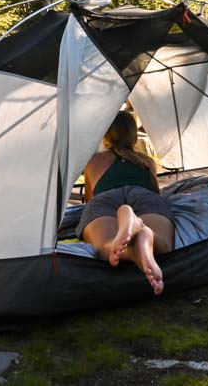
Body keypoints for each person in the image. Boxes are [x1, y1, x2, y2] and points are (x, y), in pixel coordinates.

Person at [77, 109, 175, 294]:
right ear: (134, 136)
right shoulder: (147, 161)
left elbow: (90, 200)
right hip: (143, 195)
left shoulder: (94, 161)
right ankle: (146, 235)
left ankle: (127, 247)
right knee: (163, 245)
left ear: (105, 133)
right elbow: (155, 193)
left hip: (105, 198)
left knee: (105, 246)